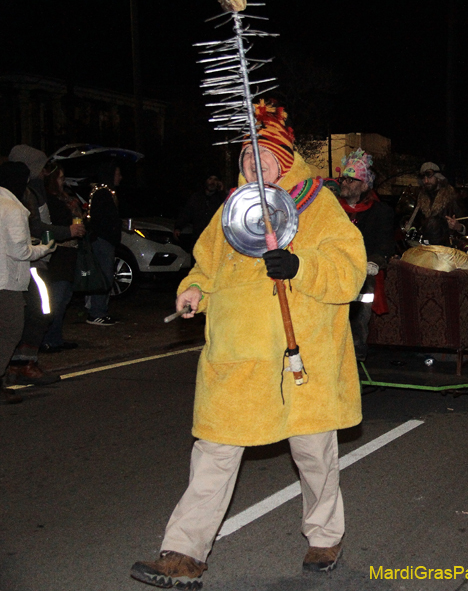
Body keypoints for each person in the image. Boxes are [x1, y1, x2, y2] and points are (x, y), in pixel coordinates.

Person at [130, 100, 367, 588]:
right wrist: (193, 289)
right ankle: (183, 552)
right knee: (214, 451)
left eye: (264, 158)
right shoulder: (230, 213)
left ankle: (325, 534)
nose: (254, 167)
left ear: (285, 162)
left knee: (313, 451)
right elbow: (205, 266)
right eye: (246, 159)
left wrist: (300, 267)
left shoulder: (318, 206)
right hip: (237, 357)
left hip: (300, 357)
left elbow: (349, 272)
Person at [6, 145, 80, 384]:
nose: (45, 172)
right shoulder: (21, 193)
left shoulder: (32, 191)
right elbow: (33, 229)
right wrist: (62, 234)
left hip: (33, 260)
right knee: (38, 311)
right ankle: (22, 363)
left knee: (30, 314)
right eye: (40, 167)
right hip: (29, 262)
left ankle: (22, 361)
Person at [0, 161, 57, 403]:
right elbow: (20, 252)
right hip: (7, 281)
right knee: (11, 331)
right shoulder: (13, 208)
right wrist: (43, 248)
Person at [335, 149, 394, 361]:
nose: (345, 183)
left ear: (364, 185)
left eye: (352, 180)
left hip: (363, 268)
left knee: (363, 290)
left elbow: (385, 244)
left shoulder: (380, 212)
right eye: (344, 179)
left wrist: (375, 262)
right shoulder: (332, 209)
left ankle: (356, 348)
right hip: (334, 265)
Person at [41, 163, 85, 352]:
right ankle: (48, 339)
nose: (63, 181)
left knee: (64, 297)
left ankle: (56, 338)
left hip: (69, 254)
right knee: (56, 300)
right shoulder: (48, 200)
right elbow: (51, 227)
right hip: (58, 255)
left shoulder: (65, 198)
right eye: (60, 177)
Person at [85, 161, 121, 326]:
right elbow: (100, 220)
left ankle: (99, 310)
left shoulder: (108, 193)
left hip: (106, 240)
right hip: (102, 241)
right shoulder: (101, 193)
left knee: (106, 276)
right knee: (103, 277)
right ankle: (96, 312)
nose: (120, 177)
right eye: (117, 173)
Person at [408, 162, 467, 236]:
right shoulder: (420, 198)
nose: (426, 181)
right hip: (425, 245)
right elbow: (416, 223)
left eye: (429, 176)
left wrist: (458, 227)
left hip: (446, 245)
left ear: (438, 177)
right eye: (423, 177)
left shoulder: (451, 196)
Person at [173, 175, 227, 249]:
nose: (212, 182)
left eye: (215, 179)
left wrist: (222, 191)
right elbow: (186, 213)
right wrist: (178, 227)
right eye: (210, 179)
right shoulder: (197, 197)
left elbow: (228, 210)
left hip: (215, 239)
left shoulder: (221, 198)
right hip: (198, 237)